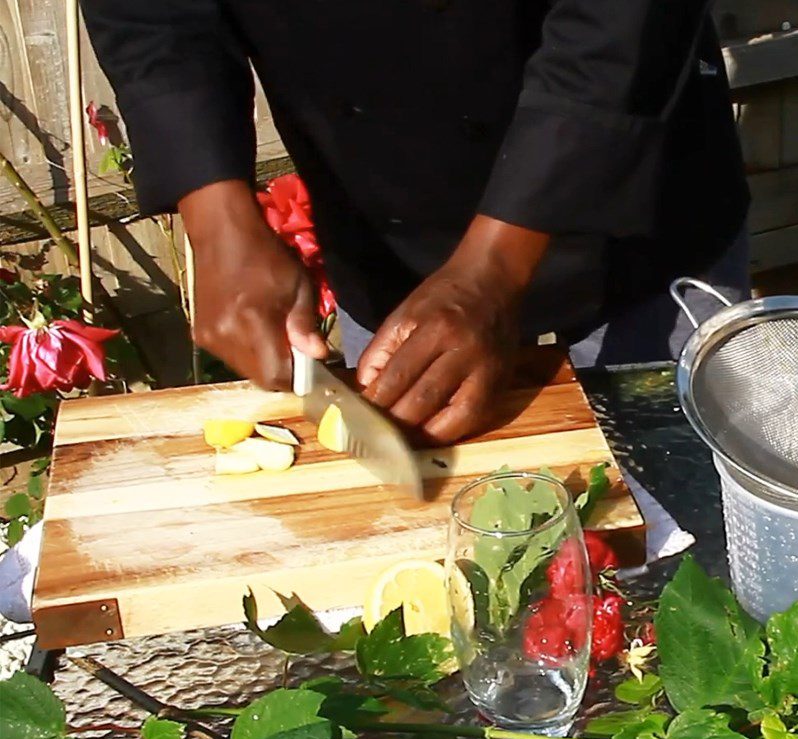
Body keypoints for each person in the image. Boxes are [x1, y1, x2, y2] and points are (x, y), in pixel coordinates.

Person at [81, 1, 749, 444]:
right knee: (439, 573)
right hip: (381, 215)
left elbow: (622, 19)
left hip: (634, 202)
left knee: (690, 568)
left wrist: (492, 266)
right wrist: (217, 215)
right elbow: (146, 16)